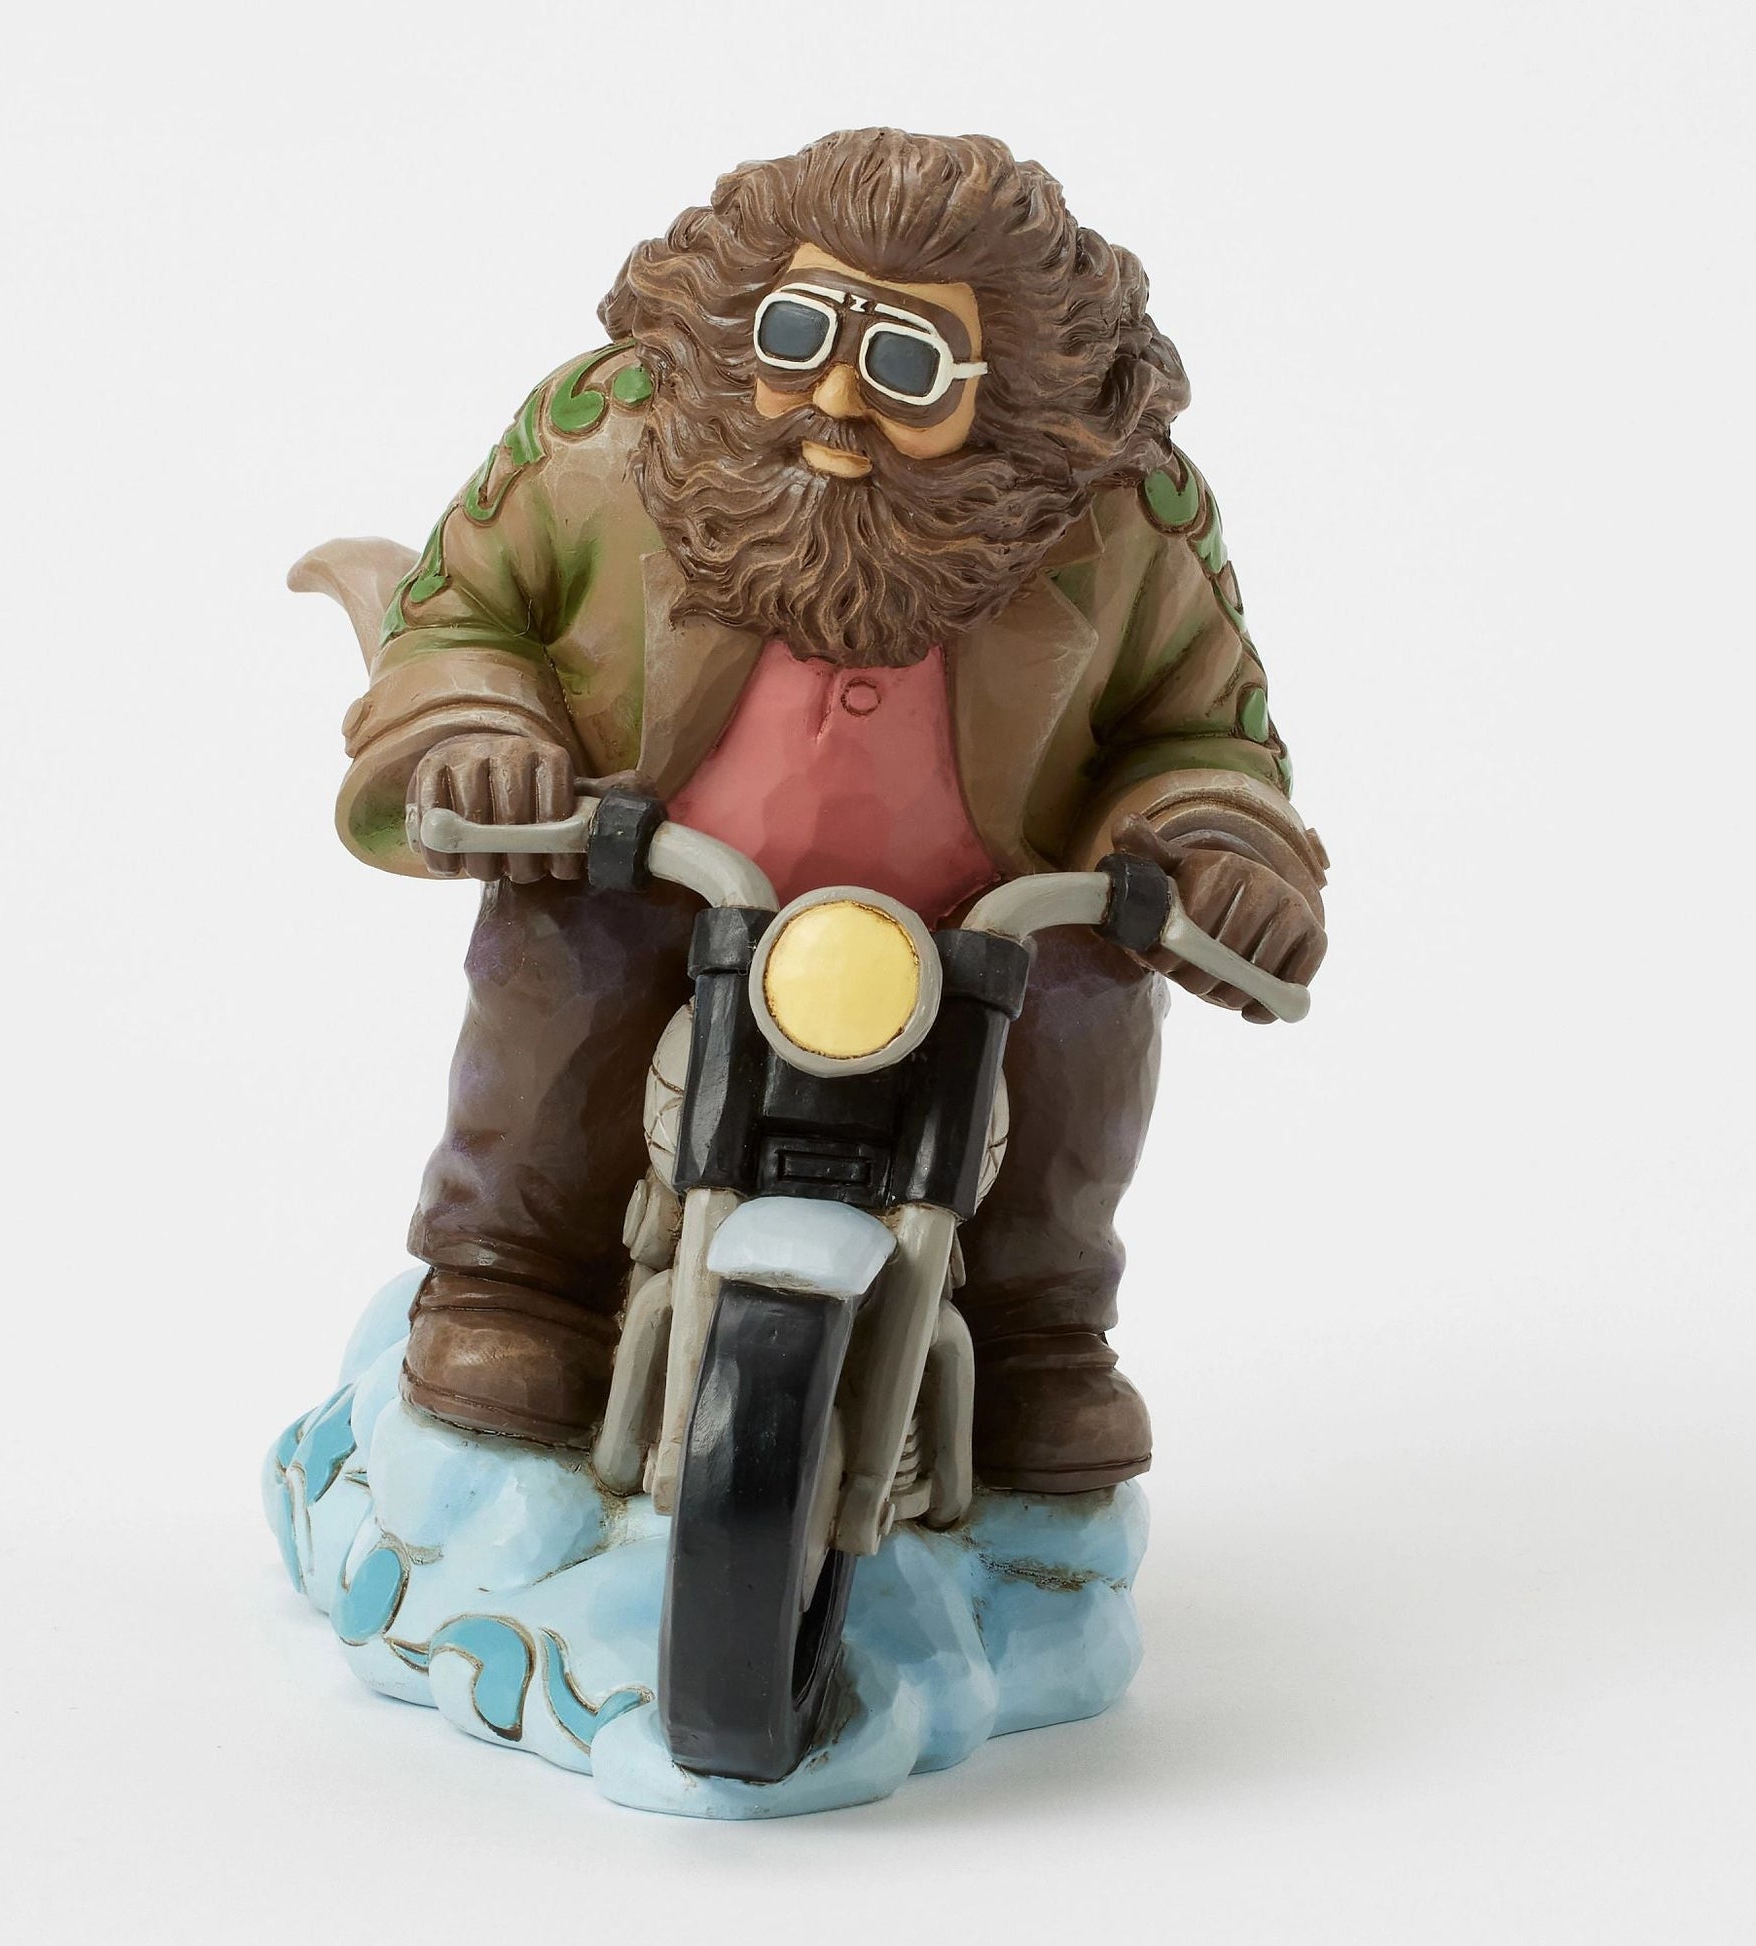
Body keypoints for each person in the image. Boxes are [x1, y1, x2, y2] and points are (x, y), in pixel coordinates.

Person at [321, 128, 1328, 1493]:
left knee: (1083, 993)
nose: (837, 397)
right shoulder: (608, 434)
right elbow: (465, 612)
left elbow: (1199, 724)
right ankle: (515, 1274)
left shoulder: (1124, 517)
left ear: (1013, 390)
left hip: (984, 917)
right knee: (567, 951)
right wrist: (480, 730)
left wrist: (1217, 847)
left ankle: (1038, 1330)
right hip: (654, 861)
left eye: (905, 363)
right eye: (797, 335)